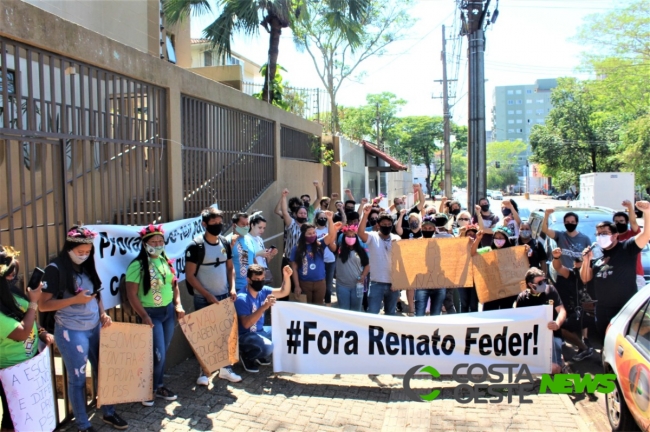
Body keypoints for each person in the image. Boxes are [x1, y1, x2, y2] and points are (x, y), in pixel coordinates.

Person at [40, 227, 128, 431]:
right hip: (71, 331)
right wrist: (75, 300)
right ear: (70, 248)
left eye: (87, 251)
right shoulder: (55, 269)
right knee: (78, 378)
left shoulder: (88, 265)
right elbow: (44, 305)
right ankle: (82, 424)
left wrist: (103, 313)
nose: (84, 255)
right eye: (80, 251)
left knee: (104, 371)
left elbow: (96, 293)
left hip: (95, 327)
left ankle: (109, 412)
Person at [125, 224, 184, 406]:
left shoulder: (165, 260)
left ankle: (158, 386)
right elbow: (131, 294)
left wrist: (178, 304)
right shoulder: (137, 266)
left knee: (163, 351)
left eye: (160, 241)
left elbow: (174, 285)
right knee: (157, 354)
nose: (158, 244)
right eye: (153, 241)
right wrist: (143, 315)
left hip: (167, 312)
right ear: (144, 244)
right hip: (151, 314)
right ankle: (147, 390)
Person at [185, 208, 242, 386]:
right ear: (204, 224)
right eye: (213, 223)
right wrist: (207, 295)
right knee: (204, 336)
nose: (218, 225)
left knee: (225, 332)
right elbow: (190, 275)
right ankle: (204, 371)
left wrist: (232, 288)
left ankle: (225, 368)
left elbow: (230, 268)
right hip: (203, 298)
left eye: (219, 222)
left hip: (224, 295)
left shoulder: (224, 242)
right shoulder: (195, 246)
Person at [0, 246, 54, 432]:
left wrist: (41, 331)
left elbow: (27, 319)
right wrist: (33, 301)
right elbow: (21, 332)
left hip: (29, 365)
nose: (13, 277)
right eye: (9, 274)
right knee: (13, 417)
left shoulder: (11, 294)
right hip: (11, 371)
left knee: (29, 415)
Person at [581, 201, 650, 340]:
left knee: (621, 342)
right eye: (598, 234)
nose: (601, 237)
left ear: (615, 235)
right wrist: (586, 261)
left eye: (605, 233)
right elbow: (585, 278)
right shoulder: (597, 253)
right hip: (601, 309)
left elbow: (646, 235)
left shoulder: (627, 248)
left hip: (623, 308)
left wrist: (647, 212)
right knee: (604, 341)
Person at [235, 264, 292, 373]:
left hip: (260, 330)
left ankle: (259, 353)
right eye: (256, 279)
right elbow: (246, 324)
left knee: (283, 331)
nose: (260, 282)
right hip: (245, 335)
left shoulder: (263, 290)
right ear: (249, 280)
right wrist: (264, 307)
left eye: (262, 279)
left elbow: (283, 292)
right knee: (268, 347)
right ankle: (247, 356)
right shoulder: (242, 298)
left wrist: (286, 276)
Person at [515, 267, 567, 374]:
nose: (543, 283)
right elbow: (517, 320)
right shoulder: (523, 298)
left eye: (544, 280)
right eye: (539, 282)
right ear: (530, 284)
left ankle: (560, 363)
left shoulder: (551, 290)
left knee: (555, 369)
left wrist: (557, 324)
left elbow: (562, 311)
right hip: (533, 338)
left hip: (552, 334)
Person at [551, 248, 594, 362]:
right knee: (563, 325)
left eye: (579, 263)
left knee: (563, 327)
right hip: (580, 312)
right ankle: (584, 347)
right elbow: (558, 267)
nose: (575, 266)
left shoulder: (592, 274)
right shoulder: (573, 274)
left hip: (594, 313)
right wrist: (556, 257)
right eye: (575, 263)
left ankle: (585, 347)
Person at [358, 205, 401, 315]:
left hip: (393, 283)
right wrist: (365, 215)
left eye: (389, 225)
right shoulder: (372, 237)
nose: (386, 226)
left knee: (391, 314)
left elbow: (400, 262)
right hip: (376, 282)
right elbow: (360, 233)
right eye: (384, 224)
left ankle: (389, 333)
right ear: (378, 225)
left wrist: (398, 282)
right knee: (372, 313)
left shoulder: (397, 238)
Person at [290, 211, 337, 305]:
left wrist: (330, 219)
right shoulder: (296, 249)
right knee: (307, 309)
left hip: (320, 283)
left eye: (314, 233)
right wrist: (297, 286)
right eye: (309, 234)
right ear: (303, 235)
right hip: (304, 283)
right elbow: (294, 269)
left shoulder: (320, 244)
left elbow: (331, 235)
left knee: (318, 308)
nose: (312, 235)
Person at [471, 226, 518, 311]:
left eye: (501, 238)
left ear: (506, 239)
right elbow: (473, 253)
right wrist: (477, 239)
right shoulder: (488, 250)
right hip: (491, 291)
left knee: (506, 313)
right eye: (496, 237)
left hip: (507, 291)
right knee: (489, 313)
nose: (498, 240)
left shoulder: (512, 252)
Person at [233, 213, 277, 292]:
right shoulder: (238, 240)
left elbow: (259, 261)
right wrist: (259, 254)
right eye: (260, 227)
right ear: (252, 225)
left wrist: (270, 255)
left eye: (264, 228)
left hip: (257, 279)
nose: (262, 230)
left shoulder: (257, 239)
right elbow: (246, 257)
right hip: (242, 283)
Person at [329, 225, 369, 311]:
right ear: (344, 237)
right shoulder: (339, 249)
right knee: (344, 311)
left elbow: (367, 265)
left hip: (357, 286)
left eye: (353, 236)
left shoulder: (361, 250)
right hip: (342, 286)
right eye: (348, 236)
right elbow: (330, 244)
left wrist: (363, 276)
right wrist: (334, 230)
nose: (351, 238)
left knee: (356, 311)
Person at [614, 200, 645, 290]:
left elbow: (633, 222)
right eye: (616, 221)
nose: (618, 223)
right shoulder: (612, 238)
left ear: (626, 222)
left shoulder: (633, 234)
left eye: (621, 221)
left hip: (635, 275)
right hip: (618, 276)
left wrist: (630, 207)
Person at [314, 212, 336, 307]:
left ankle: (328, 305)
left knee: (328, 286)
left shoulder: (329, 230)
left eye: (324, 218)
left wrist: (330, 218)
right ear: (316, 219)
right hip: (319, 261)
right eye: (320, 218)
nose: (322, 219)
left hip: (330, 261)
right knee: (318, 284)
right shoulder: (313, 231)